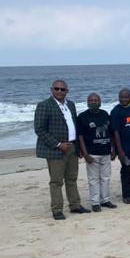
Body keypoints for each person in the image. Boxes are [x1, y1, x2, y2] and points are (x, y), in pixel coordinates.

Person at [34, 79, 89, 219]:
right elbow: (39, 129)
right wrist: (58, 144)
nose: (59, 91)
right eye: (56, 89)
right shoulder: (44, 105)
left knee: (72, 178)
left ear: (67, 91)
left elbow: (74, 125)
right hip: (55, 149)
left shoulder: (70, 105)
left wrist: (78, 147)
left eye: (62, 89)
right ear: (51, 89)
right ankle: (57, 210)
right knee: (56, 181)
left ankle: (75, 205)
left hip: (72, 147)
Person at [77, 93, 117, 212]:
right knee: (93, 179)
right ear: (88, 102)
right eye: (91, 100)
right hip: (92, 153)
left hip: (106, 151)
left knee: (105, 177)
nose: (94, 102)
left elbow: (111, 133)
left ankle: (105, 200)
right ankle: (95, 203)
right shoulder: (83, 116)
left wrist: (113, 149)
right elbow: (80, 136)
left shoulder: (105, 114)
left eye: (96, 100)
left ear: (100, 102)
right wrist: (85, 154)